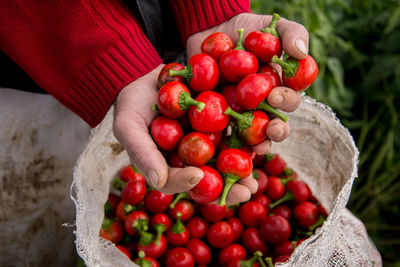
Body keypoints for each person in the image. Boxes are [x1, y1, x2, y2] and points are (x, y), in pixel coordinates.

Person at [0, 0, 308, 205]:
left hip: (157, 42)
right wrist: (112, 61)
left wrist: (210, 10)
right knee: (34, 191)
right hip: (34, 60)